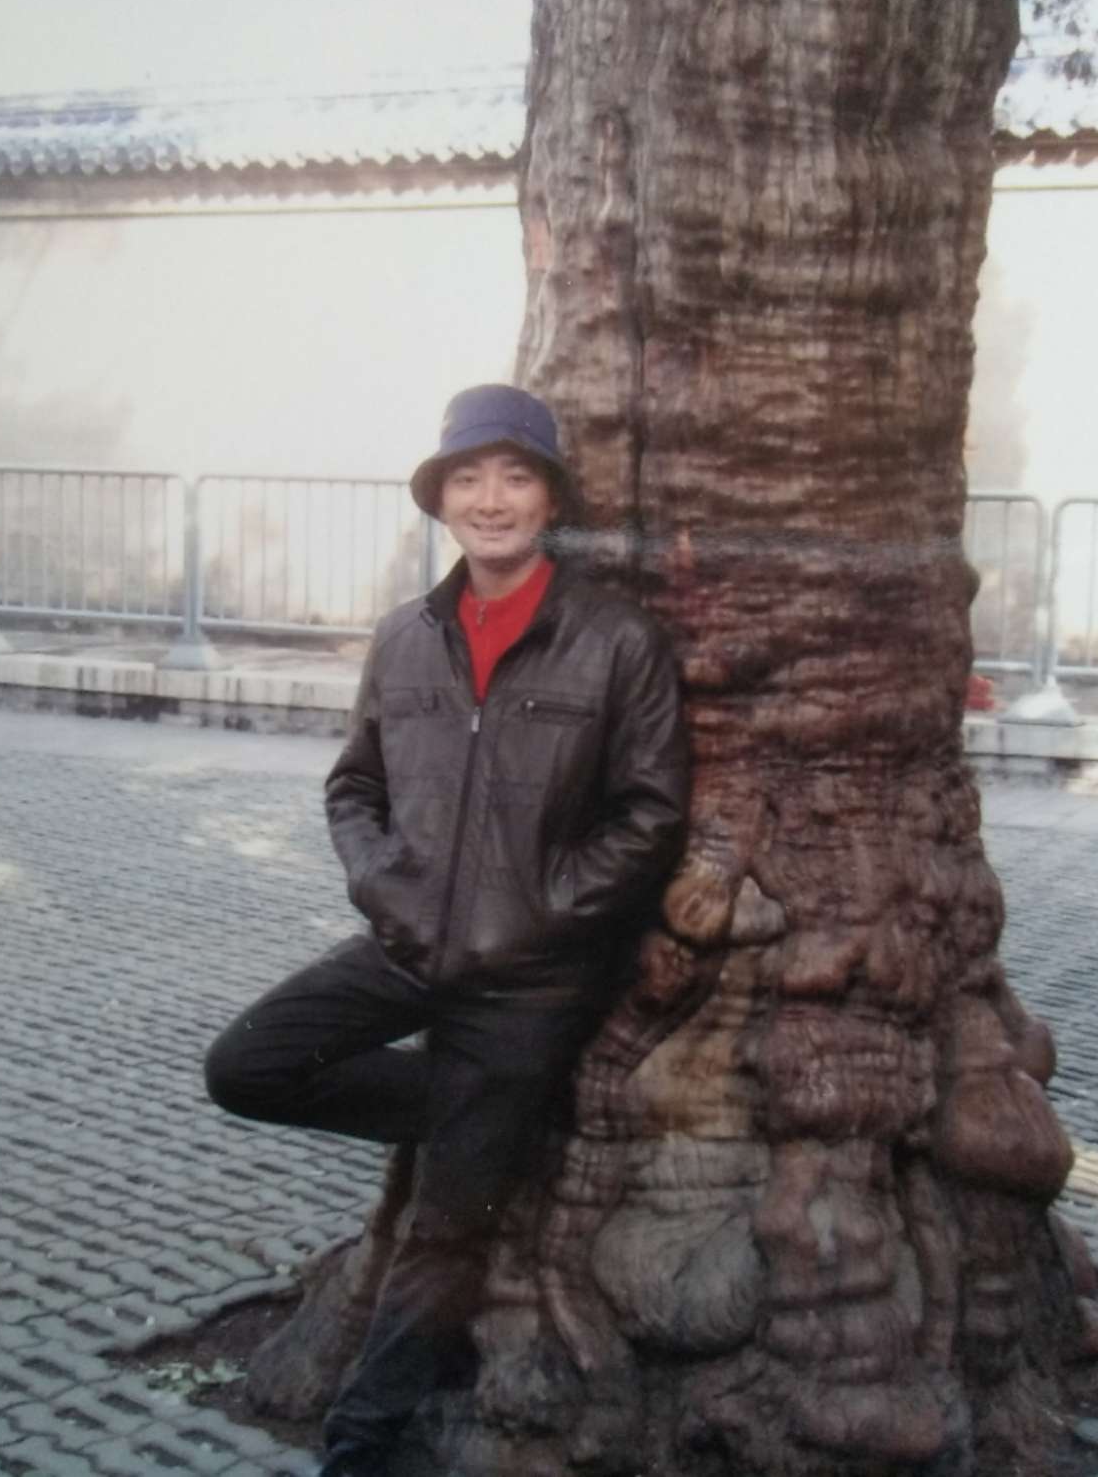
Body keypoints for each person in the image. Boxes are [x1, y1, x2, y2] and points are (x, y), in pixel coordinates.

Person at [203, 385, 689, 1476]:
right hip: (408, 944)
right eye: (467, 478)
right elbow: (353, 787)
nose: (491, 499)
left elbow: (650, 816)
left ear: (549, 497)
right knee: (245, 1066)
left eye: (515, 476)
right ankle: (499, 1121)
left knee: (445, 1229)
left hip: (532, 980)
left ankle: (360, 1444)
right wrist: (384, 887)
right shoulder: (403, 638)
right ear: (440, 498)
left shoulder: (615, 641)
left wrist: (542, 916)